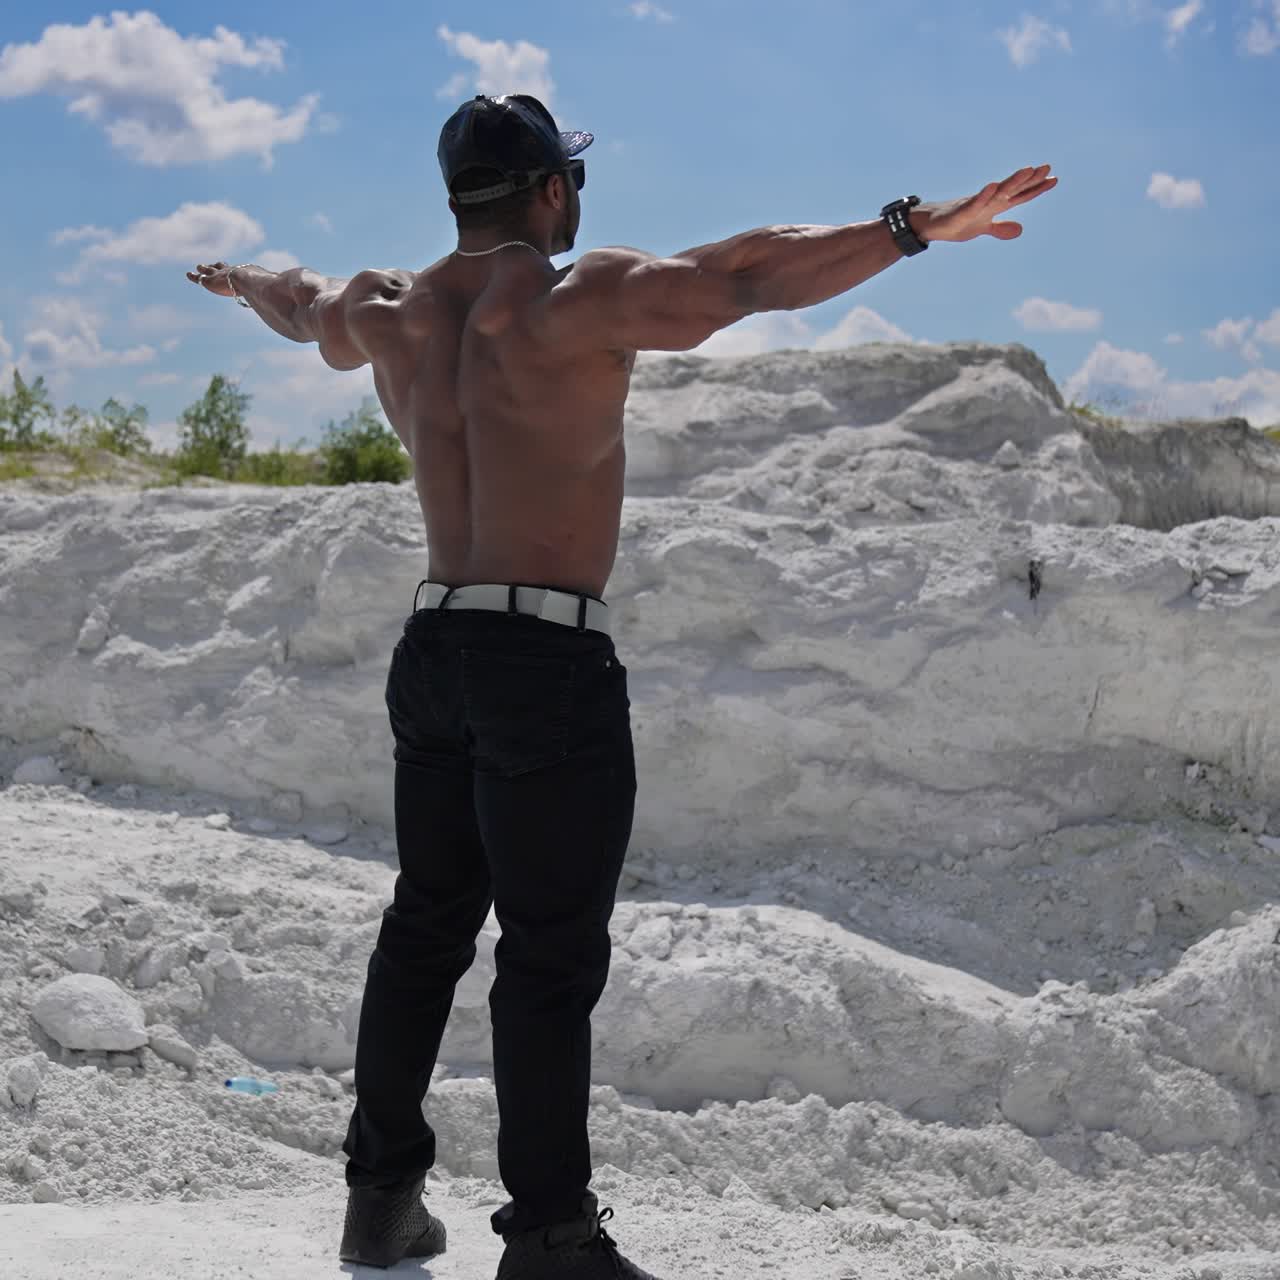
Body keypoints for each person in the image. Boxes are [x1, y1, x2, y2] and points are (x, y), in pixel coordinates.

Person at [187, 92, 1057, 1278]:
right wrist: (910, 227)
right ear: (553, 191)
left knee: (424, 926)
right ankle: (549, 1237)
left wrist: (237, 278)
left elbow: (295, 301)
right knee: (545, 953)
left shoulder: (381, 310)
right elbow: (744, 275)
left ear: (457, 198)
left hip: (434, 649)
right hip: (542, 659)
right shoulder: (569, 296)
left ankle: (379, 1199)